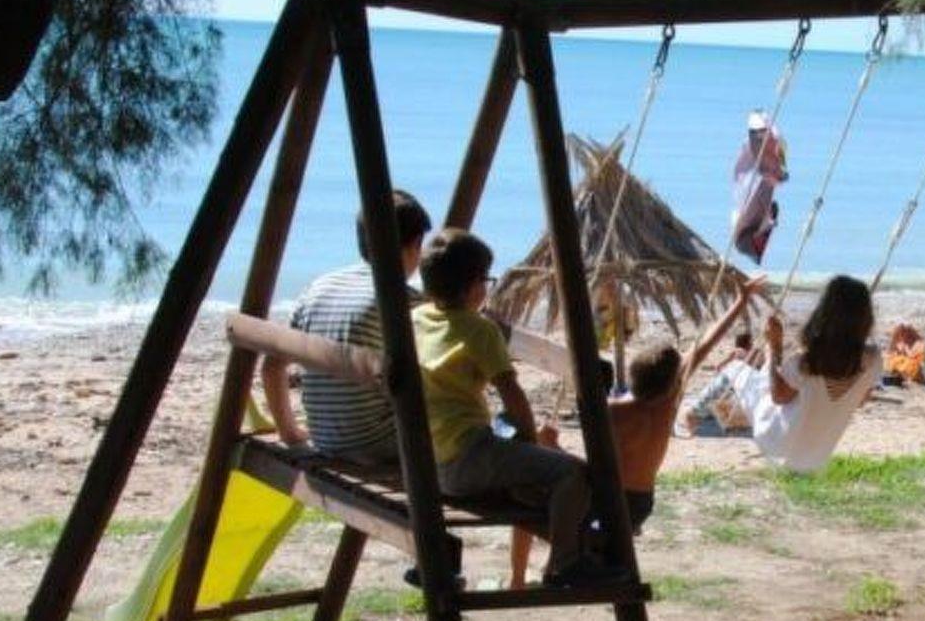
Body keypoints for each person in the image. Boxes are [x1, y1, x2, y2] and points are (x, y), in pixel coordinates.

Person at [509, 276, 764, 586]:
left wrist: (552, 445)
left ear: (633, 378)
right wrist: (740, 302)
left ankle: (519, 579)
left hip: (605, 505)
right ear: (671, 382)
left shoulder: (612, 411)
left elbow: (593, 475)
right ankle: (565, 559)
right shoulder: (668, 402)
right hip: (639, 508)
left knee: (523, 502)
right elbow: (704, 345)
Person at [412, 228, 597, 588]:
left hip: (429, 462)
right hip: (467, 458)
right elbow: (512, 393)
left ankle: (547, 537)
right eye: (486, 280)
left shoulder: (416, 319)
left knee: (524, 468)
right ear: (473, 287)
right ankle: (565, 563)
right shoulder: (480, 330)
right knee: (573, 473)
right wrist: (530, 441)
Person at [260, 190, 433, 463]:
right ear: (414, 246)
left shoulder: (319, 287)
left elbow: (271, 367)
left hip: (325, 438)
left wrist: (290, 433)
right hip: (380, 442)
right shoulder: (404, 300)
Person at [747, 274, 882, 473]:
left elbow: (778, 397)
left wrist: (775, 348)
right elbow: (860, 400)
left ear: (823, 314)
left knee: (739, 373)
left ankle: (699, 409)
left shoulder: (806, 363)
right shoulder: (873, 360)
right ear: (866, 318)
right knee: (764, 376)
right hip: (817, 455)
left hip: (781, 446)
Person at [730, 109, 788, 264]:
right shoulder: (754, 147)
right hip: (747, 227)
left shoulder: (763, 145)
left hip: (749, 227)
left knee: (760, 208)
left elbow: (778, 165)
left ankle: (757, 240)